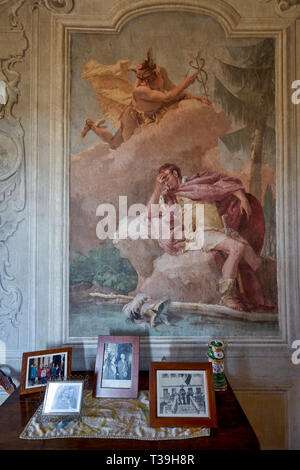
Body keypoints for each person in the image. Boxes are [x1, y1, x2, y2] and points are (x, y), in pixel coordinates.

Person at [146, 163, 274, 313]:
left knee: (254, 261)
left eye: (166, 177)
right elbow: (150, 213)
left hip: (220, 230)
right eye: (162, 180)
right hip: (199, 234)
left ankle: (256, 298)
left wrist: (243, 199)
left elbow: (227, 183)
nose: (165, 182)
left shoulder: (200, 181)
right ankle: (227, 296)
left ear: (175, 174)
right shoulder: (168, 196)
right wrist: (157, 188)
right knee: (236, 248)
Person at [82, 50, 210, 148]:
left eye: (148, 78)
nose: (145, 82)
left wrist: (199, 98)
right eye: (142, 79)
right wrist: (186, 83)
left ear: (155, 72)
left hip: (153, 117)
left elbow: (175, 91)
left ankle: (91, 126)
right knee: (118, 145)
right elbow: (167, 97)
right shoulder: (140, 90)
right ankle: (92, 126)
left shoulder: (161, 73)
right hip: (134, 119)